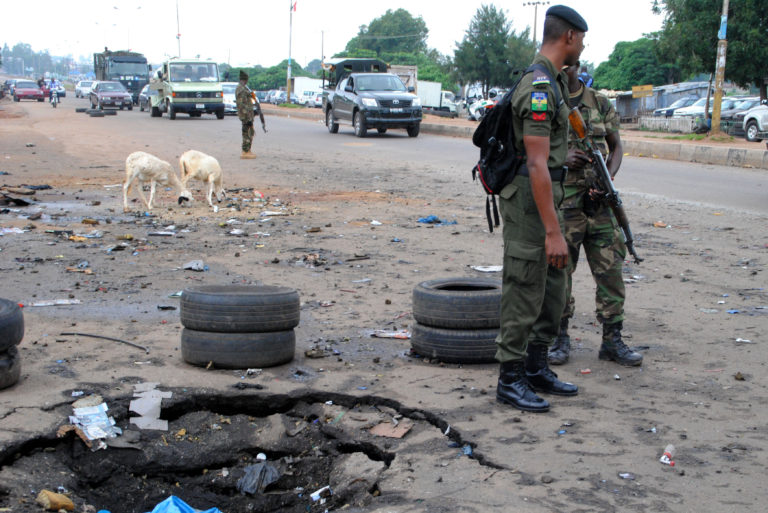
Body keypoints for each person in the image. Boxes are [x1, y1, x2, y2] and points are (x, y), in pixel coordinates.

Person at [495, 4, 587, 413]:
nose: (583, 45)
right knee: (525, 285)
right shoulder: (537, 86)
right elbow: (535, 162)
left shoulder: (553, 82)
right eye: (581, 38)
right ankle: (509, 379)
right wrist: (552, 230)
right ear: (568, 37)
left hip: (548, 199)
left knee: (554, 286)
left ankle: (536, 367)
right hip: (530, 204)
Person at [547, 62, 643, 367]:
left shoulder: (600, 102)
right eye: (563, 65)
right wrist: (561, 158)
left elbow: (616, 147)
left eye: (573, 65)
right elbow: (531, 150)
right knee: (560, 274)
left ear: (579, 66)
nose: (568, 70)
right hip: (565, 205)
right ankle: (559, 337)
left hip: (600, 205)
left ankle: (612, 340)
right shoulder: (548, 102)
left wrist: (608, 178)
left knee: (611, 273)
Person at [236, 70, 257, 159]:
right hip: (246, 116)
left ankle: (248, 150)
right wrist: (247, 117)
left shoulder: (244, 88)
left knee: (249, 133)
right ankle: (245, 151)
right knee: (247, 133)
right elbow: (241, 105)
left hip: (248, 115)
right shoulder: (240, 89)